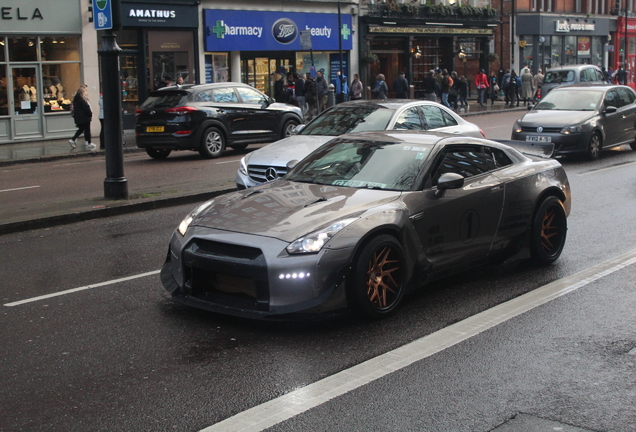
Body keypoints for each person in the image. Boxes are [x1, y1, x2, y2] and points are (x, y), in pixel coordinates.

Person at [69, 86, 96, 151]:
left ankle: (83, 141)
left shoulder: (77, 99)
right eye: (85, 91)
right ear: (83, 92)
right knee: (86, 130)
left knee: (81, 129)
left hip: (80, 117)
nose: (86, 92)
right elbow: (86, 108)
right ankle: (88, 142)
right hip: (84, 117)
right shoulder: (81, 100)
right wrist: (90, 114)